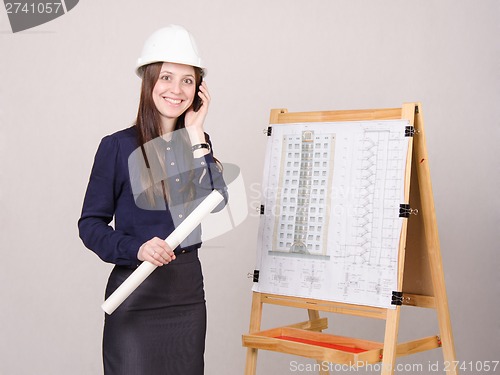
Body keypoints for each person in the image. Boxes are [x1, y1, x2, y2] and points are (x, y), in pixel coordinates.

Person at [78, 25, 227, 375]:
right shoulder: (117, 146)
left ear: (199, 90)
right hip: (136, 289)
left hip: (186, 293)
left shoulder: (196, 143)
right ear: (149, 82)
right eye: (166, 77)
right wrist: (137, 249)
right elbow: (90, 225)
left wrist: (195, 135)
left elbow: (217, 201)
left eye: (187, 81)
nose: (176, 90)